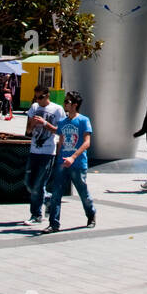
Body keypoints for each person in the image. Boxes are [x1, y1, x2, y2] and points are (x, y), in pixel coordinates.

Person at [44, 91, 96, 231]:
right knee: (56, 193)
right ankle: (53, 223)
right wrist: (58, 159)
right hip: (62, 162)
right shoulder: (62, 122)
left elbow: (87, 143)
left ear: (75, 104)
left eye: (68, 101)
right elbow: (60, 141)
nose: (65, 104)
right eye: (65, 101)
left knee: (83, 192)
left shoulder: (84, 121)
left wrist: (73, 157)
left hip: (78, 163)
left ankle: (91, 214)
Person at [23, 86, 65, 225]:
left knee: (39, 184)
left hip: (48, 151)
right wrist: (33, 124)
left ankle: (36, 215)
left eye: (41, 97)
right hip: (34, 150)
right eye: (36, 97)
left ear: (48, 95)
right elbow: (28, 131)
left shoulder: (57, 109)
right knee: (29, 183)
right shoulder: (34, 107)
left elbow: (61, 131)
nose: (38, 100)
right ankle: (48, 199)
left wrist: (45, 123)